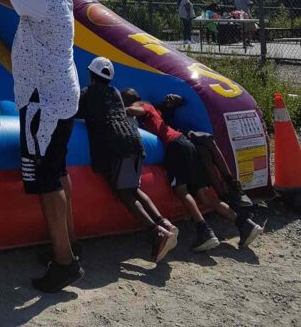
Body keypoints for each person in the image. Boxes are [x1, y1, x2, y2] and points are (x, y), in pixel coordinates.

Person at [0, 0, 83, 293]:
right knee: (58, 172)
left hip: (42, 102)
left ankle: (64, 262)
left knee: (45, 181)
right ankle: (69, 244)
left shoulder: (39, 0)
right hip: (61, 96)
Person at [121, 88, 263, 252]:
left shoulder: (142, 106)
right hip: (186, 144)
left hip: (175, 147)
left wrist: (119, 110)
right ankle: (245, 225)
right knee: (203, 194)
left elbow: (134, 110)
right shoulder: (154, 109)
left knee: (181, 191)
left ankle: (204, 231)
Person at [76, 57, 178, 263]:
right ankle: (165, 223)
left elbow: (73, 111)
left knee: (124, 194)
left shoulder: (88, 93)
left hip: (117, 145)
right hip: (134, 141)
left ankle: (156, 232)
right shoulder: (114, 93)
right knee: (134, 189)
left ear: (90, 75)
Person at [156, 94, 254, 213]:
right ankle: (224, 194)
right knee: (204, 150)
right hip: (176, 141)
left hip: (181, 136)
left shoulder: (159, 108)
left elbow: (180, 100)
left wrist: (173, 100)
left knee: (207, 143)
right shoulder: (147, 112)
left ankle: (231, 186)